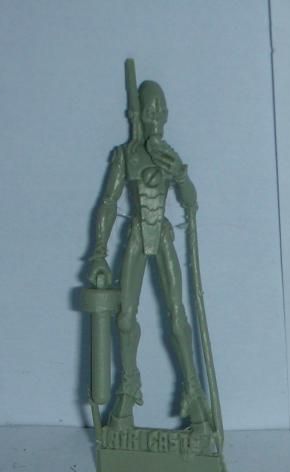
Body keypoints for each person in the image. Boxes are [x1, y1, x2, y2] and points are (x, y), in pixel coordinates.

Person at [87, 67, 210, 434]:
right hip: (137, 236)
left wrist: (181, 175)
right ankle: (128, 388)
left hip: (164, 236)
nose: (156, 117)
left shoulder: (169, 156)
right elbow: (108, 204)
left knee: (178, 317)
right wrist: (99, 252)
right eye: (150, 110)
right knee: (125, 318)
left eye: (161, 110)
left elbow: (191, 202)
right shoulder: (125, 155)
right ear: (137, 114)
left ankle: (193, 395)